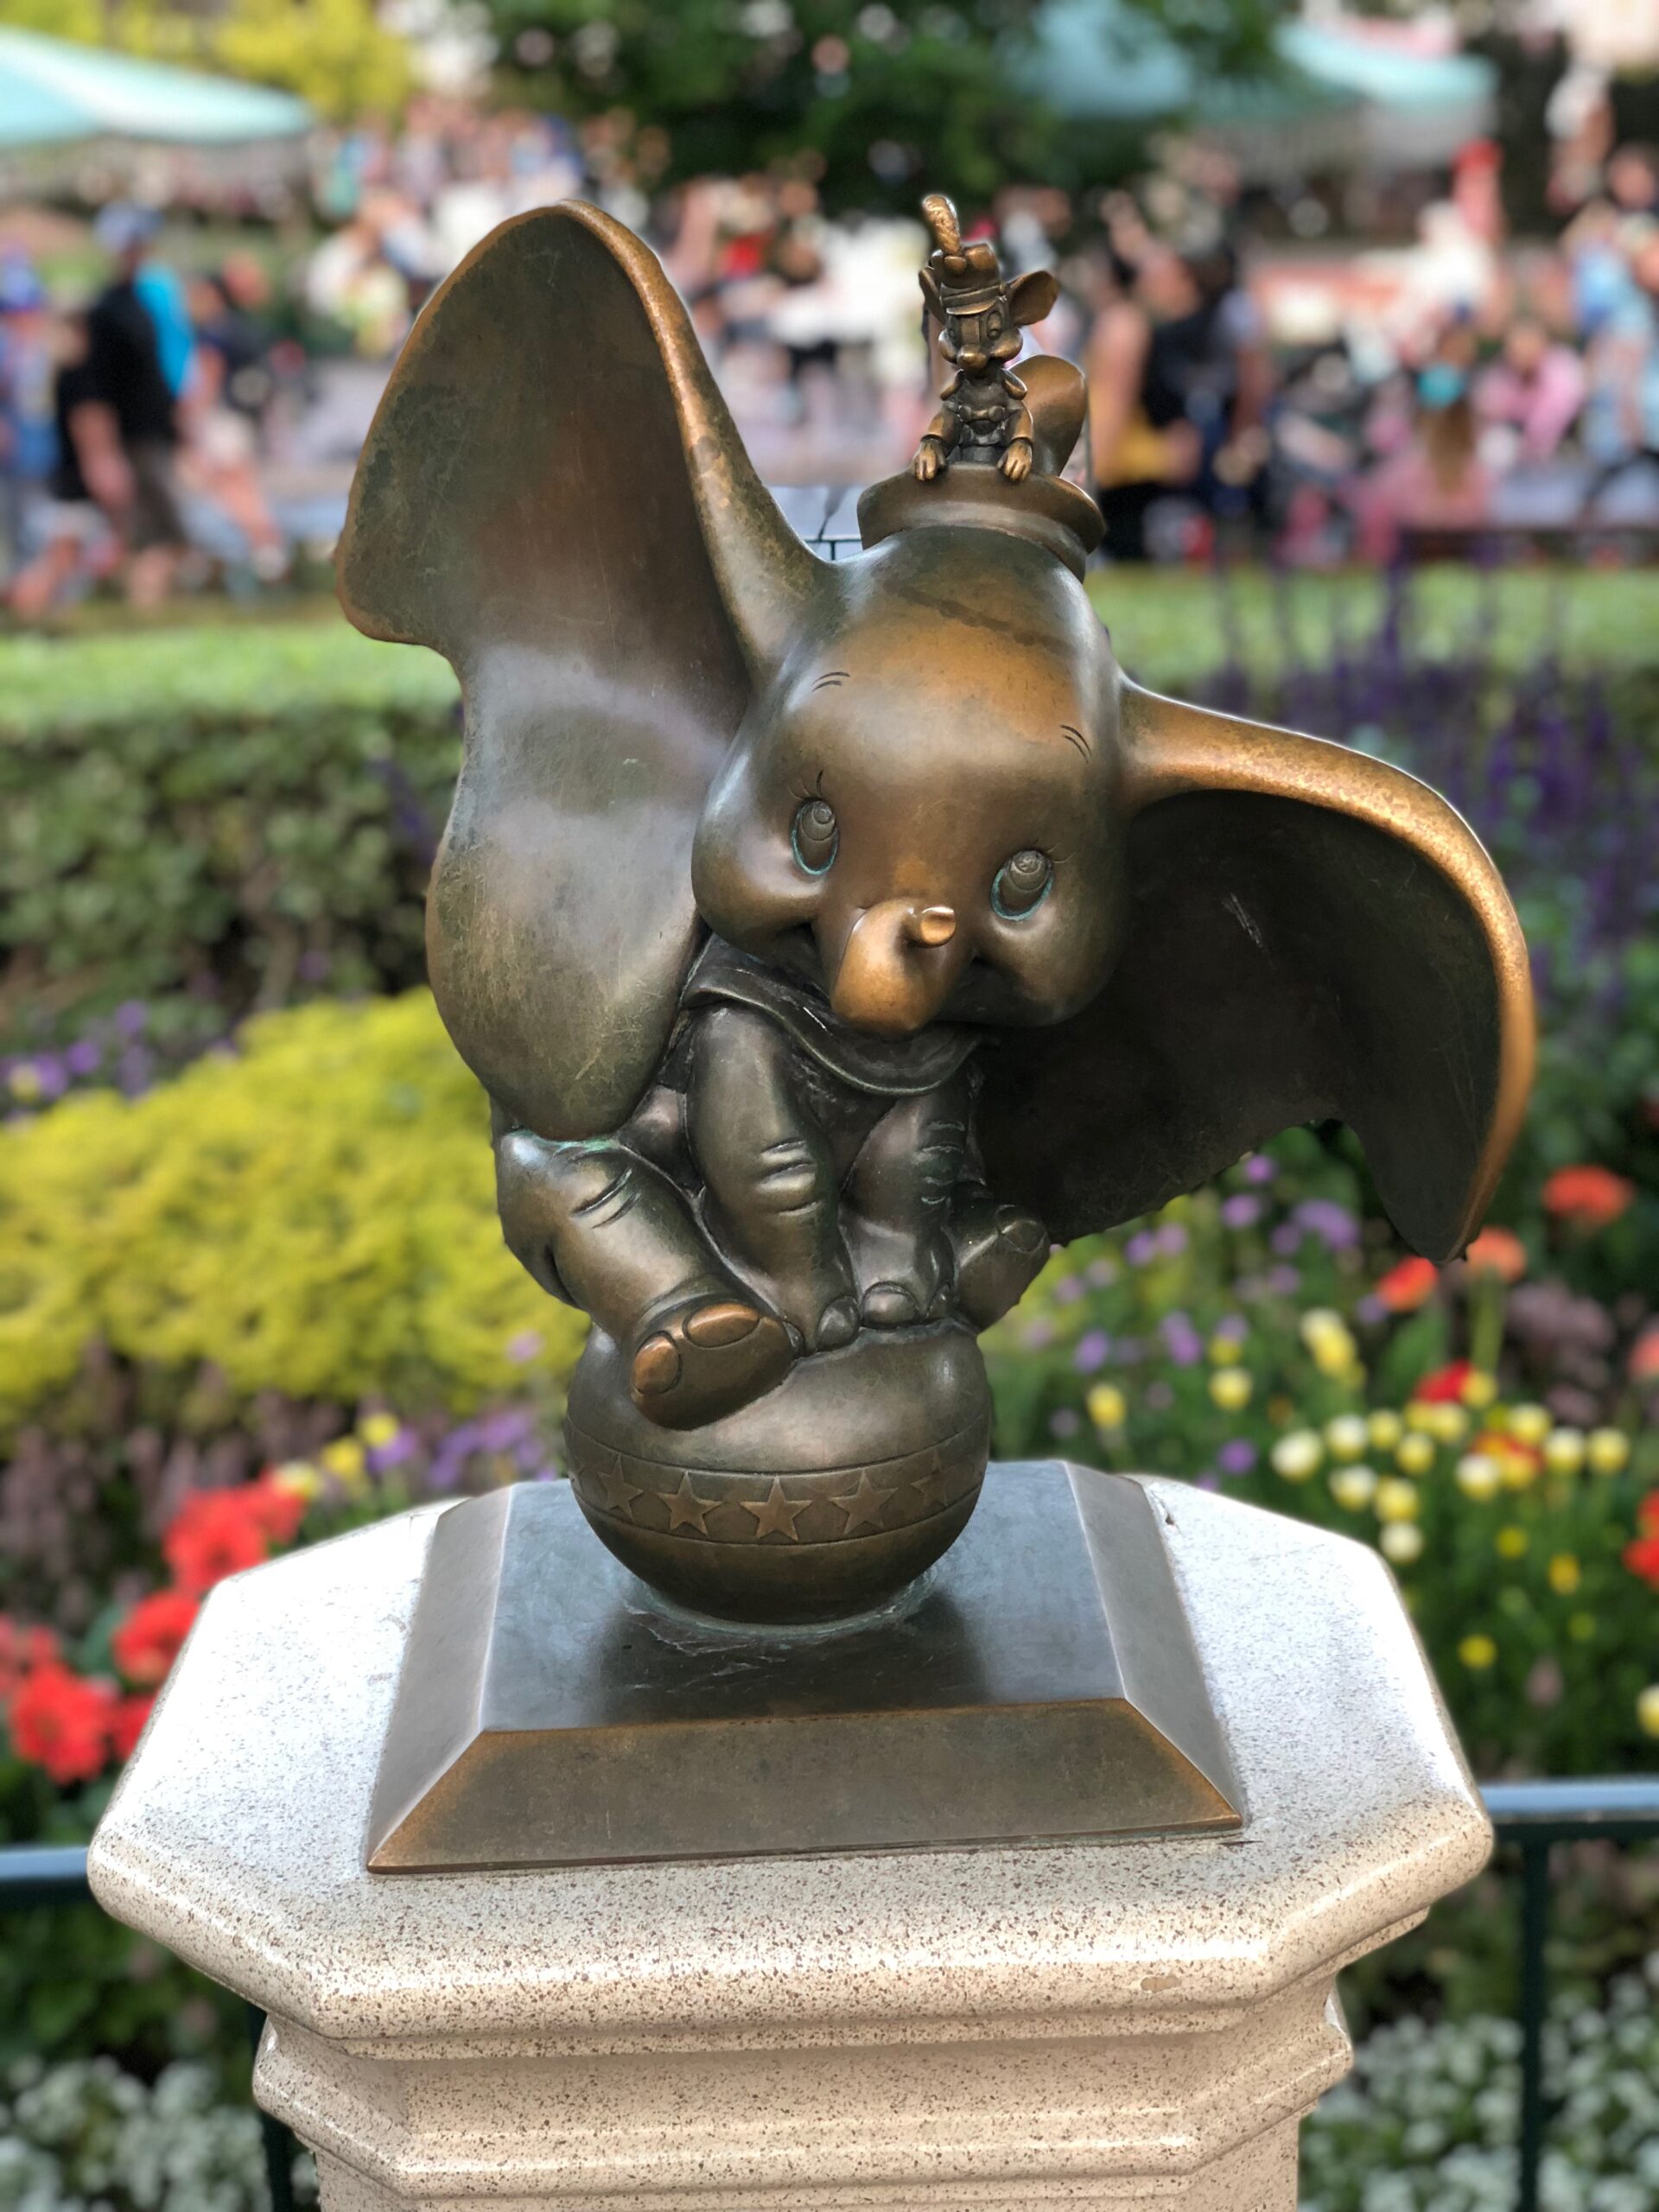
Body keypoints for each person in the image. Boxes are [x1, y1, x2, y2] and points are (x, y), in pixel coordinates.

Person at [83, 204, 188, 602]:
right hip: (132, 440)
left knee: (162, 536)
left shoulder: (143, 302)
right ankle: (143, 608)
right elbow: (94, 393)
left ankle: (151, 608)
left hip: (153, 434)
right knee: (153, 537)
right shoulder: (106, 311)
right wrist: (102, 454)